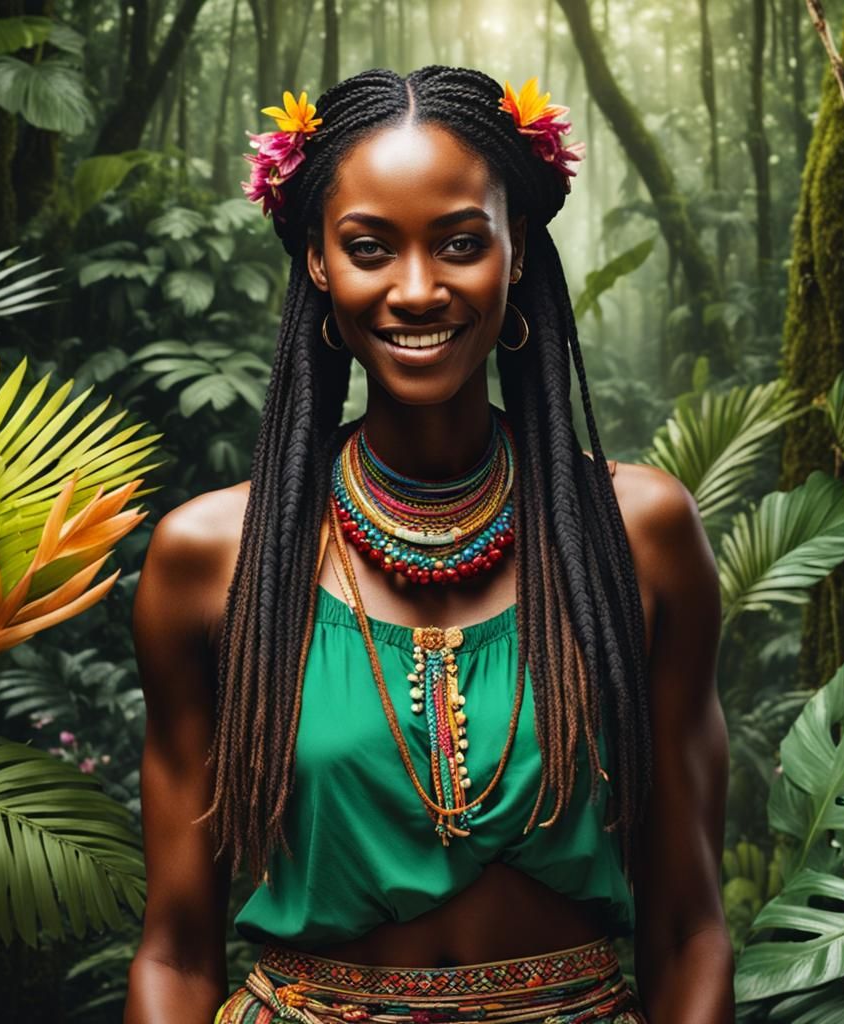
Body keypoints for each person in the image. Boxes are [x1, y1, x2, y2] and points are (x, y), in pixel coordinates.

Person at [124, 66, 733, 1024]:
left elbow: (689, 930)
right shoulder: (210, 559)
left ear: (516, 247)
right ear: (320, 262)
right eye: (370, 247)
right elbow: (174, 952)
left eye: (459, 243)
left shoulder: (640, 536)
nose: (418, 289)